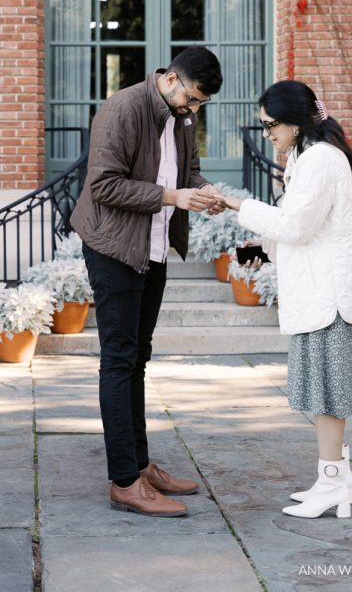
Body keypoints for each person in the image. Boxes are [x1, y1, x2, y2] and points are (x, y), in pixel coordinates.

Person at [70, 46, 226, 517]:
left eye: (200, 104)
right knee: (119, 359)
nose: (193, 110)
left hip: (154, 248)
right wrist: (174, 197)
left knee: (138, 356)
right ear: (172, 79)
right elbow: (104, 185)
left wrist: (205, 191)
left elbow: (187, 172)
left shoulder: (182, 116)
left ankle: (139, 465)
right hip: (114, 248)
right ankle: (124, 482)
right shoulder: (122, 108)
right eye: (191, 99)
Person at [223, 80, 352, 520]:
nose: (267, 133)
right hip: (321, 294)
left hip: (331, 299)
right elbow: (303, 228)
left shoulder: (321, 159)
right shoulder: (309, 158)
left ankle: (334, 483)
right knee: (322, 393)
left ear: (294, 123)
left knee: (330, 395)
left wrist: (236, 204)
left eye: (271, 125)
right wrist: (258, 249)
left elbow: (296, 226)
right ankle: (333, 480)